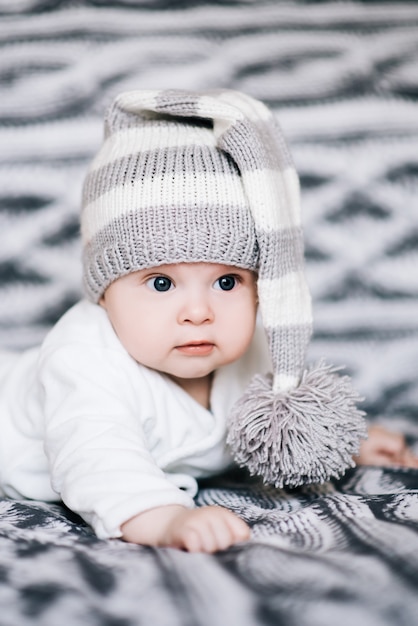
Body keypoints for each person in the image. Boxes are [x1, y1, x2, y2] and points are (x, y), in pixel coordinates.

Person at [0, 89, 416, 554]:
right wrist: (165, 520)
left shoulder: (250, 350)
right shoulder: (84, 359)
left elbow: (275, 421)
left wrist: (347, 443)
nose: (199, 313)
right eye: (161, 283)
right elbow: (95, 458)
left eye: (227, 282)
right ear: (104, 293)